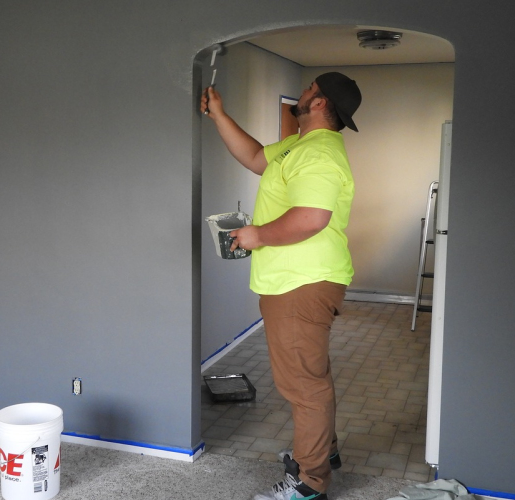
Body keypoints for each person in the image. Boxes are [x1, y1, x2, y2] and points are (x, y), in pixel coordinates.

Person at [201, 72, 362, 500]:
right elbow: (256, 156)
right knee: (312, 376)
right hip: (293, 281)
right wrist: (219, 115)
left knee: (303, 386)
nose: (303, 92)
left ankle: (309, 483)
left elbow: (311, 218)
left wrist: (257, 235)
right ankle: (323, 453)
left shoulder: (319, 154)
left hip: (301, 283)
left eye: (310, 88)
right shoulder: (299, 145)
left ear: (320, 102)